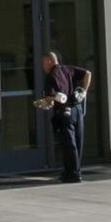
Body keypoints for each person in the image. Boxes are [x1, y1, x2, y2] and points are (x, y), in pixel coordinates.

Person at [38, 51, 95, 182]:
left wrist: (44, 103)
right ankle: (73, 171)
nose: (43, 66)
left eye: (43, 63)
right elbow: (88, 74)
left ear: (49, 61)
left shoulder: (51, 76)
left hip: (64, 113)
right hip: (77, 109)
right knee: (78, 141)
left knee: (69, 144)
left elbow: (50, 98)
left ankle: (73, 174)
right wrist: (84, 91)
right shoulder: (68, 69)